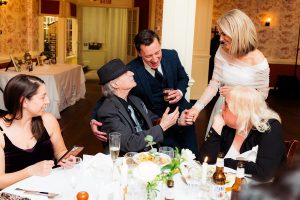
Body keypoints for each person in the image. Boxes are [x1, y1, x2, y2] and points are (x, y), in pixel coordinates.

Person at [186, 9, 270, 138]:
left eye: (224, 34)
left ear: (238, 33)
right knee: (216, 150)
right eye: (220, 33)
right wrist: (196, 108)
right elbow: (214, 84)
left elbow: (263, 95)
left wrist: (235, 93)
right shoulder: (222, 51)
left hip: (247, 114)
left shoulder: (258, 60)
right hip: (223, 109)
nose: (220, 39)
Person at [127, 29, 198, 154]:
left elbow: (183, 77)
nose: (155, 59)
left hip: (183, 115)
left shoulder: (171, 55)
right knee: (168, 159)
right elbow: (114, 94)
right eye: (149, 56)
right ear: (139, 53)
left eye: (157, 52)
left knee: (191, 155)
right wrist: (94, 119)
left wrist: (180, 92)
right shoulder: (131, 69)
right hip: (158, 124)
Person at [0, 74, 76, 189]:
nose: (48, 101)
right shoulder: (1, 131)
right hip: (16, 194)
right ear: (24, 101)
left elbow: (60, 151)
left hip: (50, 188)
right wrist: (30, 171)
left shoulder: (48, 120)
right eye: (43, 97)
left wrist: (66, 158)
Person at [198, 86, 286, 182]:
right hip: (226, 185)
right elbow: (205, 160)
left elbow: (264, 173)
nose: (222, 108)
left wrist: (224, 162)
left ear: (240, 111)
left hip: (262, 191)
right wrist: (216, 128)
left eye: (226, 105)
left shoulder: (270, 128)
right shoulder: (227, 126)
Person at [95, 58, 181, 153]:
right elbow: (128, 143)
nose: (132, 73)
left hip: (150, 153)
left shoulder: (135, 100)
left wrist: (178, 120)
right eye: (125, 73)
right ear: (115, 84)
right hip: (128, 161)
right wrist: (162, 127)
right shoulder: (108, 111)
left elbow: (154, 120)